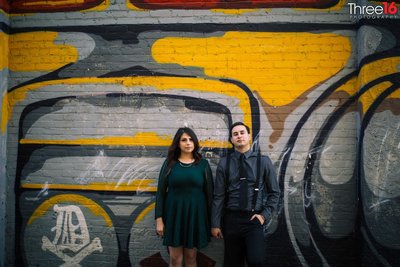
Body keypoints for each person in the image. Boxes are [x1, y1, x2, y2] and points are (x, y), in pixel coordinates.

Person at [211, 122, 280, 267]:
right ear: (231, 140)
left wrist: (264, 215)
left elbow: (275, 193)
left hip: (253, 219)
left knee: (256, 260)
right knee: (233, 263)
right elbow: (218, 196)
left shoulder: (263, 162)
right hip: (231, 220)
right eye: (235, 134)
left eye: (242, 133)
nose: (239, 136)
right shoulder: (224, 163)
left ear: (249, 136)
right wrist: (215, 224)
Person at [155, 127, 214, 267]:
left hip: (195, 216)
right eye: (184, 140)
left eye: (191, 139)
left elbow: (210, 195)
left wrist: (213, 222)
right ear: (178, 143)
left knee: (191, 256)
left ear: (195, 143)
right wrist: (159, 219)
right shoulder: (170, 164)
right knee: (175, 258)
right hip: (174, 215)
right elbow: (161, 192)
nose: (188, 143)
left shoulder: (203, 165)